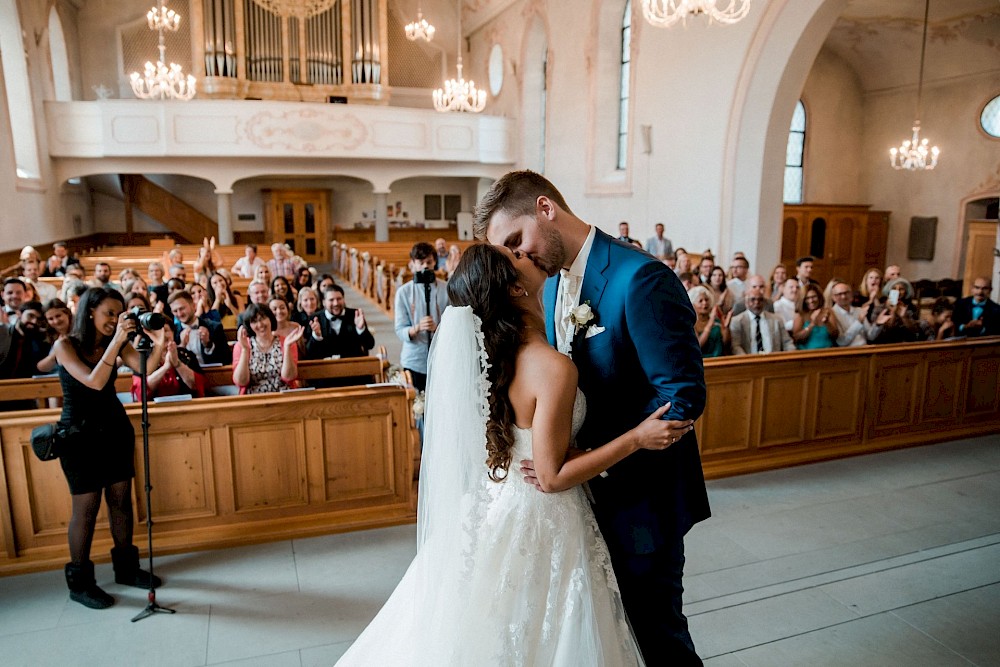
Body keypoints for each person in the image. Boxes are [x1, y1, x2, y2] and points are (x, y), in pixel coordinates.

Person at [338, 244, 691, 666]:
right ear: (515, 289)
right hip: (546, 515)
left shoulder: (498, 359)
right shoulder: (552, 367)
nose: (527, 253)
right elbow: (551, 476)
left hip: (500, 501)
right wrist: (636, 438)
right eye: (517, 257)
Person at [476, 170, 709, 664]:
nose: (519, 259)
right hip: (577, 505)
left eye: (517, 241)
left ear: (545, 208)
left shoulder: (639, 278)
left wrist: (583, 456)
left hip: (640, 498)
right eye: (509, 254)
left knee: (657, 635)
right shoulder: (552, 281)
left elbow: (682, 396)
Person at [51, 287, 165, 608]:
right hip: (79, 435)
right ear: (90, 312)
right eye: (109, 313)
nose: (114, 319)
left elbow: (144, 368)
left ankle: (126, 570)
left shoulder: (112, 343)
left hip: (114, 429)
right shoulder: (65, 345)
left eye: (119, 313)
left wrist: (158, 337)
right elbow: (94, 381)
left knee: (121, 502)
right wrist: (117, 342)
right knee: (85, 510)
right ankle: (80, 583)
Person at [394, 242, 450, 391]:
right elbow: (400, 329)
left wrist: (437, 328)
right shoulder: (403, 292)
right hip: (414, 359)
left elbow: (453, 326)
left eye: (429, 262)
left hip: (441, 357)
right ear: (412, 264)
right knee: (418, 405)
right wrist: (417, 328)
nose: (425, 266)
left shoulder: (446, 289)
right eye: (421, 262)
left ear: (434, 263)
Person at [232, 303, 303, 394]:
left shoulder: (286, 342)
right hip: (253, 398)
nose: (260, 324)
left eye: (263, 319)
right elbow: (241, 382)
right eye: (254, 321)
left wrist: (287, 347)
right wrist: (245, 350)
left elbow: (289, 377)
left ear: (270, 319)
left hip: (283, 396)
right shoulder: (242, 345)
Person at [130, 320, 206, 401]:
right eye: (158, 332)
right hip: (154, 410)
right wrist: (166, 367)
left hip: (187, 406)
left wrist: (177, 363)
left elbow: (197, 385)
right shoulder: (143, 357)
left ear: (173, 332)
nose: (163, 335)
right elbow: (141, 391)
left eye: (166, 330)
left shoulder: (187, 355)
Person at [0, 301, 49, 410]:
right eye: (30, 316)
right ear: (19, 314)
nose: (34, 321)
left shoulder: (40, 341)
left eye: (38, 319)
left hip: (25, 395)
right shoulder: (3, 334)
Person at [304, 285, 374, 361]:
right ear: (324, 302)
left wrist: (361, 329)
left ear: (343, 299)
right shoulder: (315, 319)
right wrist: (316, 336)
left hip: (353, 366)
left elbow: (370, 345)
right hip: (325, 368)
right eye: (331, 300)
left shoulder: (355, 315)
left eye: (339, 299)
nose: (335, 303)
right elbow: (309, 352)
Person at [167, 291, 230, 366]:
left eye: (182, 308)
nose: (179, 314)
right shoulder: (172, 331)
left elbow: (226, 359)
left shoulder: (214, 327)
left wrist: (208, 345)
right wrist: (182, 346)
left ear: (193, 306)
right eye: (175, 311)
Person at [730, 293, 796, 354]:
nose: (757, 302)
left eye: (760, 300)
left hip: (774, 361)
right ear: (746, 303)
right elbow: (736, 346)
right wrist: (747, 361)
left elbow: (787, 342)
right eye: (753, 300)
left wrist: (792, 355)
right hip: (749, 362)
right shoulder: (737, 321)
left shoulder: (777, 320)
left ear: (764, 303)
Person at [792, 283, 839, 349]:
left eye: (814, 297)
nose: (811, 301)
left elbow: (835, 336)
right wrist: (812, 324)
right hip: (808, 354)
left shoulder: (828, 312)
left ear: (819, 297)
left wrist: (827, 323)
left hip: (828, 351)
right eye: (807, 298)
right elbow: (796, 339)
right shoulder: (800, 315)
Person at [688, 285, 730, 357]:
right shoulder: (691, 323)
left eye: (706, 300)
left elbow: (725, 344)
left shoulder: (717, 321)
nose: (705, 303)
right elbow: (698, 345)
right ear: (693, 305)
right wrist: (710, 323)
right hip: (702, 362)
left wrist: (726, 328)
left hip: (720, 360)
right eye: (700, 301)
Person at [37, 298, 74, 373]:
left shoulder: (80, 332)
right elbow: (40, 367)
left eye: (58, 316)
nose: (56, 321)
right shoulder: (45, 337)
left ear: (67, 313)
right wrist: (56, 352)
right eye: (51, 319)